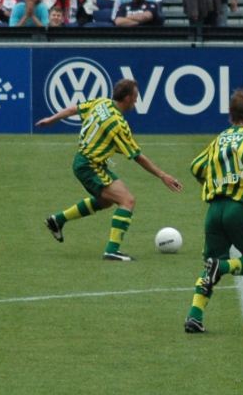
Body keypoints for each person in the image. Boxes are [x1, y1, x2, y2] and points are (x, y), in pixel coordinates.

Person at [36, 79, 182, 262]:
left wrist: (52, 119)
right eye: (135, 98)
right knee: (127, 201)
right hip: (90, 166)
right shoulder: (117, 124)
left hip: (86, 162)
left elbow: (74, 109)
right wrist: (163, 175)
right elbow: (137, 156)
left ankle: (57, 220)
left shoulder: (101, 103)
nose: (136, 102)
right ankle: (112, 250)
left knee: (105, 201)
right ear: (127, 98)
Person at [184, 89, 243, 334]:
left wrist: (213, 186)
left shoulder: (219, 140)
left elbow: (196, 167)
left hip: (214, 210)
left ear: (230, 114)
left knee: (209, 265)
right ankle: (222, 267)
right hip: (240, 209)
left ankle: (195, 316)